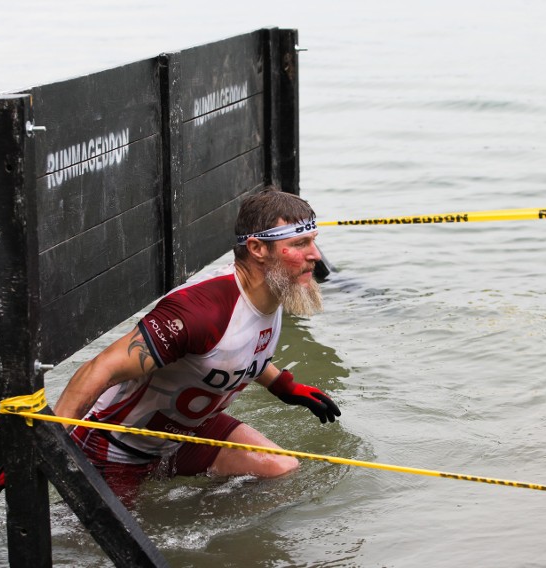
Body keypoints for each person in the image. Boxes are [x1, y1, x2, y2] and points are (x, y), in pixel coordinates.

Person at [52, 186, 341, 503]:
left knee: (279, 468)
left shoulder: (271, 293)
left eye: (313, 240)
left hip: (188, 433)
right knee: (100, 548)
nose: (315, 254)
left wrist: (282, 385)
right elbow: (100, 368)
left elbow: (230, 350)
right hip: (116, 447)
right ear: (258, 248)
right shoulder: (200, 310)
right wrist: (47, 443)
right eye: (300, 244)